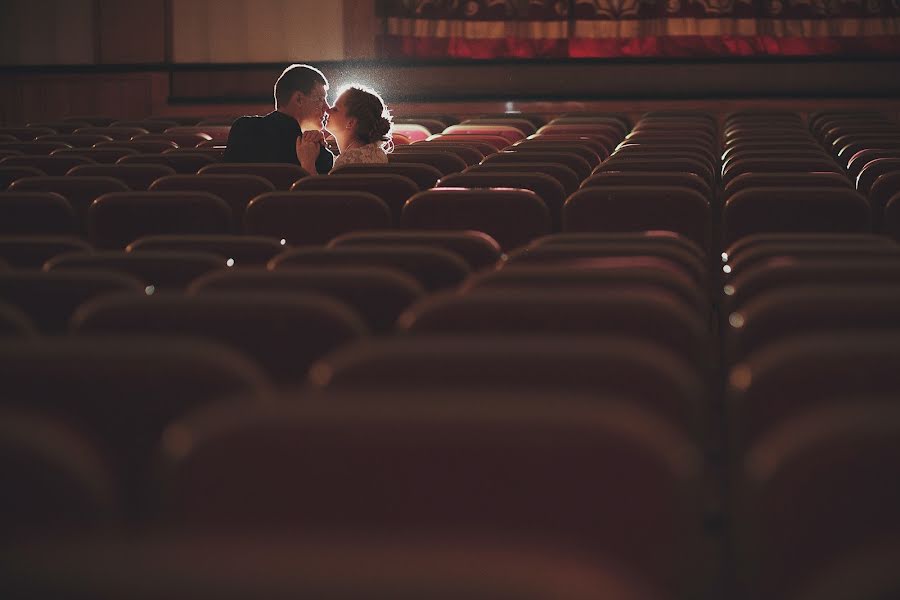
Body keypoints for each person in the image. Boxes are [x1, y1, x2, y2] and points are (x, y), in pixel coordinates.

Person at [223, 63, 334, 174]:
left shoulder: (241, 128)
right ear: (299, 99)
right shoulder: (317, 154)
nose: (327, 108)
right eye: (320, 99)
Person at [315, 84, 392, 172]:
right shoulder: (375, 153)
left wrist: (308, 162)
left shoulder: (348, 161)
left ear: (351, 123)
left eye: (336, 109)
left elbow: (320, 186)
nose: (327, 110)